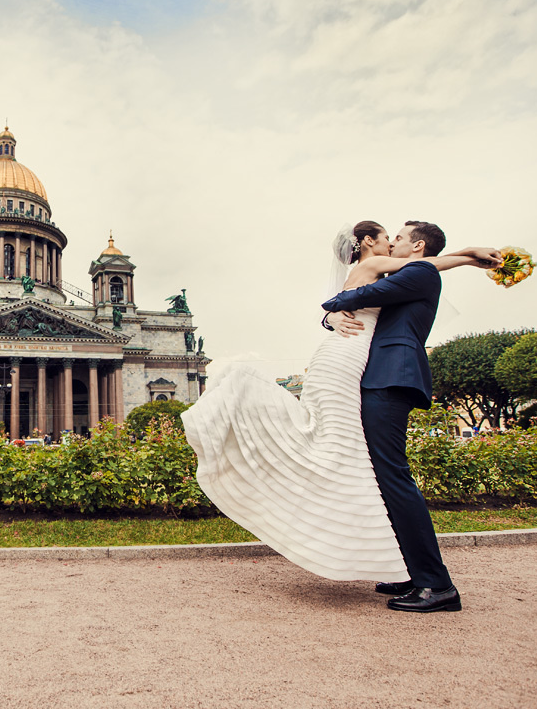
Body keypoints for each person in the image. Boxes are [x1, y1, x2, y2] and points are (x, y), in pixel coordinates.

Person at [182, 221, 498, 612]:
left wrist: (468, 255)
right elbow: (353, 298)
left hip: (386, 377)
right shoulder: (404, 269)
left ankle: (436, 583)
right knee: (371, 470)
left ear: (417, 247)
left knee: (389, 474)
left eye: (398, 237)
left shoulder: (419, 270)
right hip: (368, 373)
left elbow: (351, 297)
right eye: (388, 236)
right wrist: (468, 256)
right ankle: (407, 571)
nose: (392, 241)